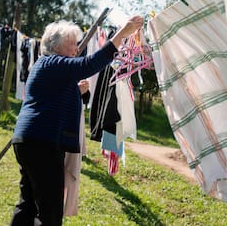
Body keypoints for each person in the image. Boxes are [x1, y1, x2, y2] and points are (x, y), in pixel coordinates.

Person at [10, 15, 144, 226]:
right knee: (51, 207)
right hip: (43, 143)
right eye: (71, 44)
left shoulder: (48, 66)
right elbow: (89, 65)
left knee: (28, 202)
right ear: (55, 46)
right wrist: (122, 34)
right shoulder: (53, 63)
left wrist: (78, 92)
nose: (76, 48)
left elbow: (54, 99)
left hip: (29, 140)